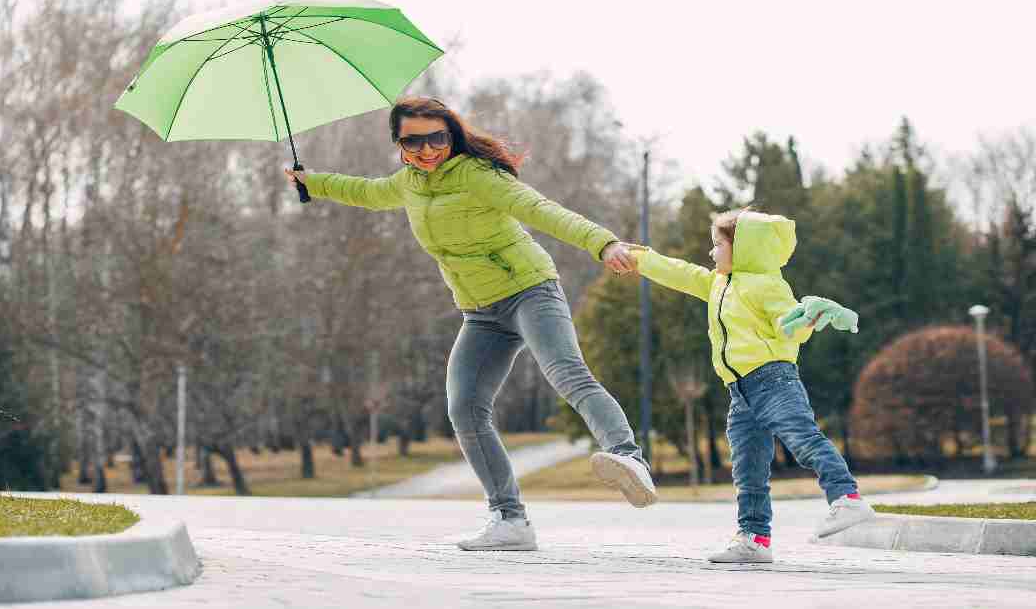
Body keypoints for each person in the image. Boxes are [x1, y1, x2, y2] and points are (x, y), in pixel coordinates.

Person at [285, 97, 656, 552]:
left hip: (529, 290)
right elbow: (365, 191)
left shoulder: (480, 176)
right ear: (399, 144)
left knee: (566, 374)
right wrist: (312, 182)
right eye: (413, 141)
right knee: (464, 408)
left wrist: (602, 243)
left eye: (436, 138)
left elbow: (542, 209)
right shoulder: (408, 184)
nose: (427, 150)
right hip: (480, 313)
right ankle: (509, 520)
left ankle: (628, 457)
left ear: (452, 135)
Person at [627, 208, 873, 564]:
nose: (711, 253)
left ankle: (847, 499)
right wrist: (638, 258)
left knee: (804, 440)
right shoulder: (716, 284)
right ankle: (755, 538)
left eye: (717, 245)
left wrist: (804, 319)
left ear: (741, 248)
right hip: (740, 392)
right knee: (748, 469)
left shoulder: (768, 285)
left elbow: (789, 325)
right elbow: (678, 272)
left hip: (773, 380)